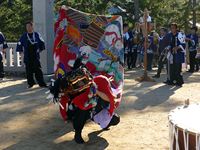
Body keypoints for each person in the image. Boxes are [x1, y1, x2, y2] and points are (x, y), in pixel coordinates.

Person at [16, 21, 47, 88]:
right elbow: (19, 45)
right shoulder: (24, 36)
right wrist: (21, 55)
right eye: (27, 27)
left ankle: (42, 83)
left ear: (32, 27)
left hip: (35, 56)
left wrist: (40, 49)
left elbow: (42, 43)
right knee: (28, 71)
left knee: (38, 70)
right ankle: (30, 83)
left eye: (29, 26)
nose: (28, 28)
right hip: (27, 56)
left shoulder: (36, 34)